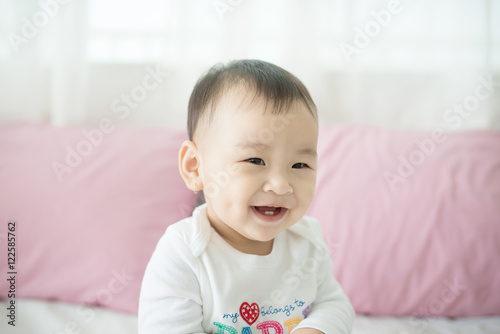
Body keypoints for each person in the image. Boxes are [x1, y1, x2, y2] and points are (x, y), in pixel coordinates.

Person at [138, 59, 355, 334]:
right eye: (255, 160)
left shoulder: (307, 242)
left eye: (300, 165)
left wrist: (316, 328)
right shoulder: (185, 254)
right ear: (195, 167)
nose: (280, 185)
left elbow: (333, 303)